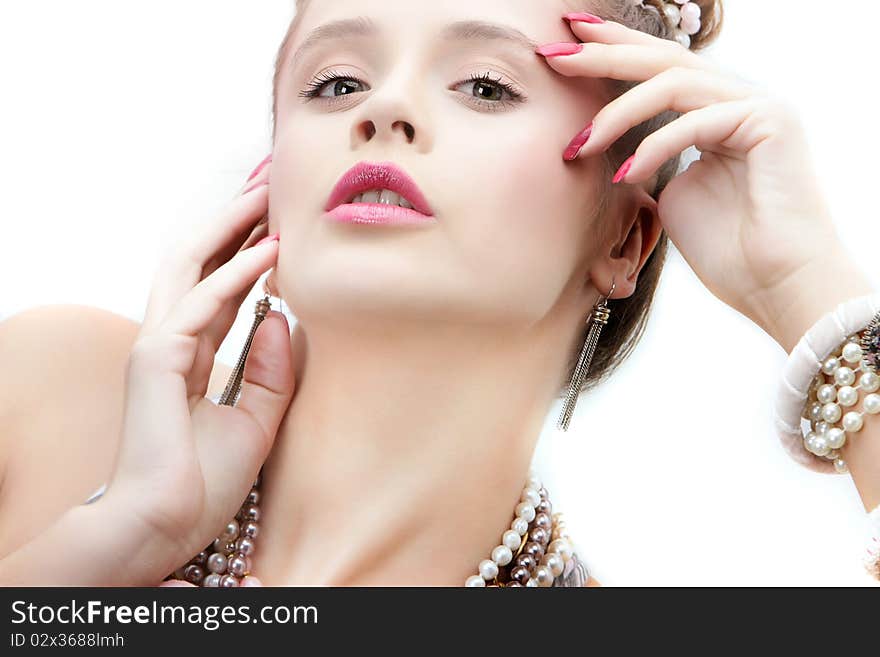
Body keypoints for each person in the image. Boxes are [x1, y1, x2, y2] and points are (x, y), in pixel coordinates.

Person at [1, 0, 878, 587]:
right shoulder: (53, 399)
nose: (383, 108)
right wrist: (123, 534)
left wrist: (810, 291)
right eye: (335, 81)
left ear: (626, 237)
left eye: (486, 86)